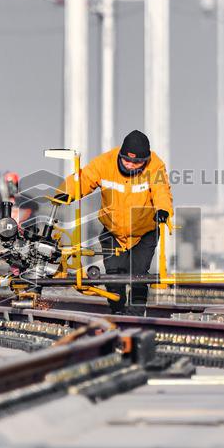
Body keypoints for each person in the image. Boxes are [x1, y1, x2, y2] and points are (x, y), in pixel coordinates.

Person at [55, 130, 174, 314]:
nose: (131, 165)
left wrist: (163, 210)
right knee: (114, 276)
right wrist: (65, 192)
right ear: (120, 155)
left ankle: (135, 316)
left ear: (145, 160)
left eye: (137, 162)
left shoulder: (155, 166)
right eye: (127, 160)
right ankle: (117, 311)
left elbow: (161, 190)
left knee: (139, 276)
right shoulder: (105, 163)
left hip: (144, 232)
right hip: (113, 231)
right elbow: (84, 178)